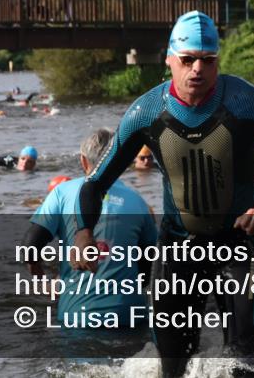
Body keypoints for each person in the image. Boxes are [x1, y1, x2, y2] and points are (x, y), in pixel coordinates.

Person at [70, 10, 254, 377]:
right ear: (170, 62)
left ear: (217, 61)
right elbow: (93, 184)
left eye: (208, 60)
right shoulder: (145, 113)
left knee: (251, 364)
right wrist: (83, 234)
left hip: (239, 246)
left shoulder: (247, 102)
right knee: (172, 368)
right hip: (177, 247)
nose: (197, 69)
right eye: (188, 59)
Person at [23, 128, 159, 329]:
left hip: (78, 317)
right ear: (119, 160)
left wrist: (44, 284)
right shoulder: (137, 201)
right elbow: (149, 263)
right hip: (129, 316)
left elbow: (29, 248)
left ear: (83, 161)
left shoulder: (62, 193)